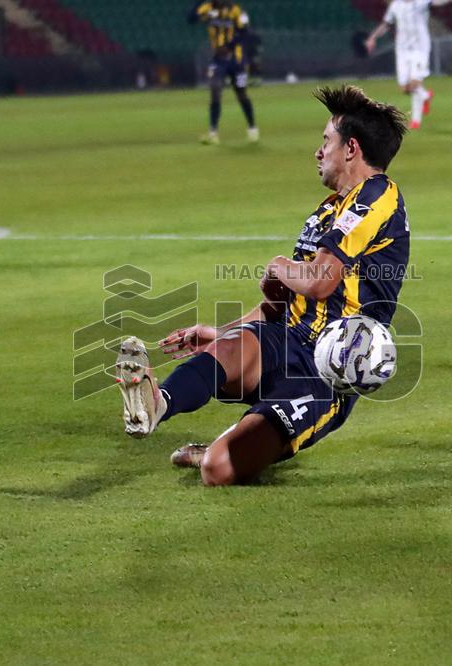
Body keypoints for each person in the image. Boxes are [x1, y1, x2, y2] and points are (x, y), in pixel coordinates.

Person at [115, 85, 409, 486]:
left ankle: (222, 446)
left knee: (217, 470)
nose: (318, 152)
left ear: (351, 149)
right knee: (233, 345)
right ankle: (156, 404)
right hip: (285, 339)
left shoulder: (377, 197)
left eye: (326, 141)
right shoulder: (326, 212)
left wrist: (277, 266)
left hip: (325, 372)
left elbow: (320, 282)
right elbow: (283, 304)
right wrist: (222, 331)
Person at [365, 0, 452, 130]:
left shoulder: (421, 2)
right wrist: (373, 37)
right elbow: (386, 24)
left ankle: (415, 121)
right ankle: (425, 95)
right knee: (405, 88)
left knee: (414, 83)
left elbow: (436, 2)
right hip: (402, 50)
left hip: (420, 49)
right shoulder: (396, 5)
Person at [187, 0, 259, 144]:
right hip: (218, 60)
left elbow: (244, 32)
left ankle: (252, 128)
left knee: (241, 93)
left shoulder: (236, 11)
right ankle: (213, 133)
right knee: (215, 89)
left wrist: (229, 46)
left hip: (236, 60)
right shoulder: (207, 8)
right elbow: (191, 18)